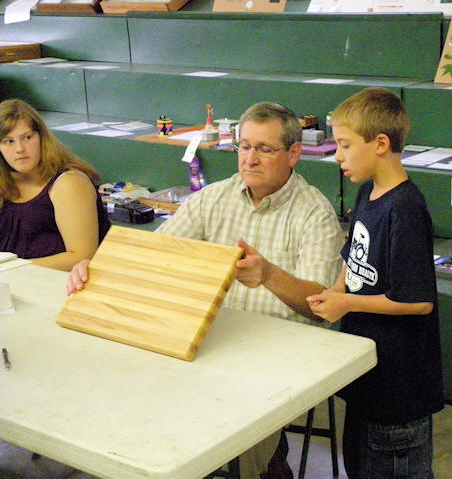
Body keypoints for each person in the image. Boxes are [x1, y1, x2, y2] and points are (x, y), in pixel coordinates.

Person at [67, 101, 345, 479]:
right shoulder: (214, 198)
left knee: (235, 442)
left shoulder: (314, 212)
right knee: (138, 404)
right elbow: (155, 255)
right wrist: (95, 268)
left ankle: (259, 465)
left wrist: (269, 275)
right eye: (244, 146)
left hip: (277, 356)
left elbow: (319, 305)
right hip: (211, 339)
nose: (250, 159)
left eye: (264, 149)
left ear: (294, 153)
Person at [307, 87, 444, 479]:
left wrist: (348, 304)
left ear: (380, 144)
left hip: (399, 390)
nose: (338, 155)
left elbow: (418, 301)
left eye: (345, 145)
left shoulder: (406, 208)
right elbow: (354, 256)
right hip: (368, 377)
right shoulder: (368, 190)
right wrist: (337, 290)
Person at [0, 99, 110, 272]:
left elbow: (81, 256)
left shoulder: (70, 182)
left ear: (41, 137)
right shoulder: (5, 181)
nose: (20, 148)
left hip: (60, 282)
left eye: (27, 138)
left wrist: (12, 268)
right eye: (9, 141)